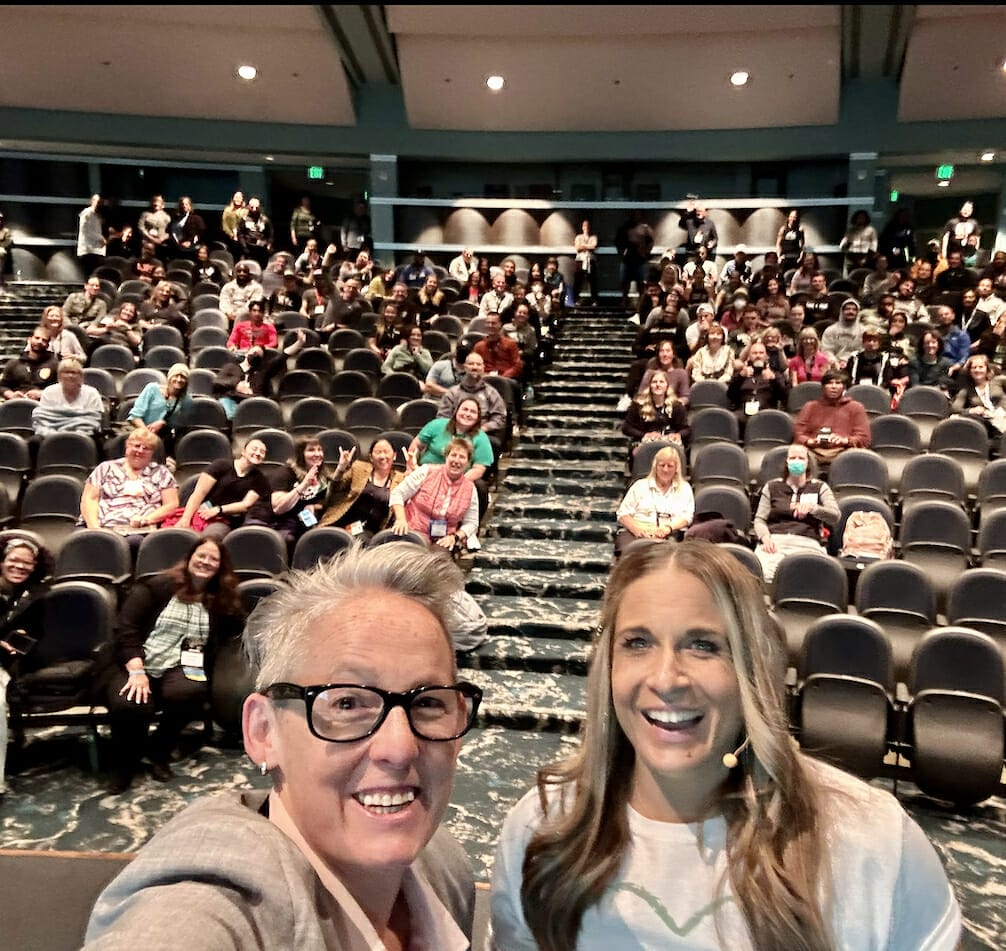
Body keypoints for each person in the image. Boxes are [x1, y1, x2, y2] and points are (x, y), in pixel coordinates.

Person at [490, 539, 962, 951]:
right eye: (637, 643)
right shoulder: (541, 829)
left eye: (704, 645)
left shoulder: (873, 842)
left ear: (750, 669)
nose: (665, 678)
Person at [85, 542, 478, 946]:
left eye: (428, 702)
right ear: (263, 732)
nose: (400, 748)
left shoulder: (446, 864)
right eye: (347, 702)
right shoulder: (212, 901)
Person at [97, 537, 244, 794]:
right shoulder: (156, 587)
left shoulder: (219, 598)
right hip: (135, 659)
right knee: (131, 703)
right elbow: (127, 630)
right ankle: (125, 764)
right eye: (202, 556)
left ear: (221, 567)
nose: (206, 562)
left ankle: (159, 750)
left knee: (191, 691)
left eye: (213, 559)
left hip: (182, 663)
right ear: (190, 558)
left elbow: (239, 627)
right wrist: (137, 671)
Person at [0, 536, 53, 797]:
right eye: (14, 560)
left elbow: (38, 636)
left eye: (27, 563)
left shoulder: (36, 597)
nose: (20, 567)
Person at [751, 442, 840, 581]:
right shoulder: (772, 486)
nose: (796, 461)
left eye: (801, 458)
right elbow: (759, 519)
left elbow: (835, 516)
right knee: (764, 577)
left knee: (807, 580)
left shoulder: (819, 487)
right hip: (775, 542)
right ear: (787, 462)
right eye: (793, 458)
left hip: (808, 543)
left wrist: (813, 508)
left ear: (807, 463)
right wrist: (765, 537)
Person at [79, 429, 179, 549]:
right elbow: (89, 499)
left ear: (152, 453)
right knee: (83, 540)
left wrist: (146, 519)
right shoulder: (105, 468)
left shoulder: (161, 473)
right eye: (137, 446)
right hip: (100, 524)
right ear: (128, 445)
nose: (140, 451)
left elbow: (172, 504)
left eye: (146, 448)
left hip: (138, 529)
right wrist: (94, 528)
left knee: (134, 543)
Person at [390, 438, 479, 553]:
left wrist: (455, 537)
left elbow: (472, 522)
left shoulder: (470, 489)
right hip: (413, 530)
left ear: (468, 462)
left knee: (438, 559)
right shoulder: (426, 471)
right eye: (453, 455)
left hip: (443, 539)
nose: (456, 460)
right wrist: (401, 520)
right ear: (446, 457)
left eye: (462, 457)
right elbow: (398, 494)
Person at [244, 437, 334, 549]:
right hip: (263, 519)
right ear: (301, 454)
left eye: (319, 450)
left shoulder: (321, 476)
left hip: (288, 523)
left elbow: (324, 498)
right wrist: (304, 485)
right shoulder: (285, 473)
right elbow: (278, 508)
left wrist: (312, 506)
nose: (317, 454)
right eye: (311, 450)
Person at [174, 437, 271, 541]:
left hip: (226, 520)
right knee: (177, 533)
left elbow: (245, 505)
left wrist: (219, 510)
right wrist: (186, 518)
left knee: (210, 537)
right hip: (201, 511)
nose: (257, 453)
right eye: (254, 449)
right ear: (243, 451)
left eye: (262, 452)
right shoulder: (221, 465)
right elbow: (199, 493)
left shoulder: (260, 480)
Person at [613, 445, 693, 556]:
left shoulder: (685, 488)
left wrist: (668, 528)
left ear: (676, 468)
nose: (665, 469)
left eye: (670, 466)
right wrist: (639, 531)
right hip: (637, 531)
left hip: (669, 532)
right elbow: (623, 514)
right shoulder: (639, 485)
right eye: (662, 465)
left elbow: (686, 517)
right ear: (655, 466)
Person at [318, 440, 405, 543]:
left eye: (386, 452)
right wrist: (340, 469)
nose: (382, 456)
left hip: (372, 532)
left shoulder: (401, 479)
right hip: (343, 522)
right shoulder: (358, 468)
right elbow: (336, 488)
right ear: (371, 457)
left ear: (394, 456)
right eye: (378, 452)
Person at [212, 330, 306, 419]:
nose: (255, 355)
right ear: (246, 353)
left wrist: (299, 343)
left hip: (254, 405)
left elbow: (282, 357)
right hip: (232, 403)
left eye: (259, 355)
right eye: (254, 352)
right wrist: (237, 384)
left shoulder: (262, 371)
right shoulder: (231, 367)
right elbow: (217, 382)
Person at [793, 369, 871, 469]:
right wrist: (809, 441)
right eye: (829, 383)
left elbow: (864, 438)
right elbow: (798, 434)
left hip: (843, 452)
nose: (833, 387)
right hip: (812, 452)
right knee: (794, 453)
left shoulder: (856, 407)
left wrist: (845, 440)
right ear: (823, 387)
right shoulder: (810, 406)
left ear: (844, 387)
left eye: (838, 383)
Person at [409, 398, 494, 485]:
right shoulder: (437, 424)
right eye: (465, 409)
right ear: (456, 411)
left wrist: (456, 483)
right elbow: (416, 445)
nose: (467, 414)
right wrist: (412, 465)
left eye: (473, 412)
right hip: (424, 475)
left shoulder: (482, 438)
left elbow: (478, 469)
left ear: (478, 417)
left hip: (457, 481)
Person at [127, 363, 193, 456]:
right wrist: (147, 434)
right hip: (140, 430)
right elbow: (135, 416)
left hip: (163, 438)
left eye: (183, 377)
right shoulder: (152, 389)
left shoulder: (187, 400)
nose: (179, 380)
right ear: (169, 377)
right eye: (176, 376)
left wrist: (163, 422)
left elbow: (180, 425)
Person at [621, 370, 690, 458]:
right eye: (654, 382)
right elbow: (626, 428)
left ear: (667, 385)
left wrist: (678, 435)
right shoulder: (638, 404)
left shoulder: (677, 406)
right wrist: (644, 435)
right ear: (649, 385)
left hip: (668, 442)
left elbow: (686, 429)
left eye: (661, 382)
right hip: (644, 442)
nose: (658, 385)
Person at [30, 356, 104, 437]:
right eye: (66, 372)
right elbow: (43, 419)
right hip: (51, 431)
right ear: (59, 376)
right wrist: (54, 435)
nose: (70, 376)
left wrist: (77, 435)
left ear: (81, 376)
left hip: (85, 434)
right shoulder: (49, 392)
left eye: (74, 372)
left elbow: (93, 420)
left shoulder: (92, 393)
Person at [728, 339, 788, 434]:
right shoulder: (741, 374)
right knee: (729, 419)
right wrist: (740, 377)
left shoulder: (775, 374)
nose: (758, 356)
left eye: (761, 353)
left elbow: (783, 396)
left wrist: (773, 380)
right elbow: (730, 395)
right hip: (742, 413)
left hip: (766, 413)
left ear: (766, 357)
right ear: (748, 357)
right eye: (754, 353)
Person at [951, 354, 1006, 437]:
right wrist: (971, 410)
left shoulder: (998, 381)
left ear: (987, 369)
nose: (977, 370)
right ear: (969, 371)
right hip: (986, 422)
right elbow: (955, 408)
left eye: (981, 367)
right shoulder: (967, 389)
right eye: (974, 367)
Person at [0, 326, 58, 401]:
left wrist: (42, 393)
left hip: (44, 405)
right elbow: (2, 386)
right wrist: (11, 395)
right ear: (29, 339)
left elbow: (60, 388)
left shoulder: (55, 365)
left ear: (47, 345)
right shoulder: (14, 364)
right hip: (17, 404)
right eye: (37, 338)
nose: (40, 341)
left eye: (44, 340)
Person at [474, 312, 523, 380]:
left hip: (507, 380)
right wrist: (485, 375)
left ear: (500, 324)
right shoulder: (479, 346)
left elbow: (517, 366)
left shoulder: (511, 344)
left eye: (493, 323)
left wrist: (503, 377)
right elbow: (474, 365)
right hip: (485, 380)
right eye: (488, 323)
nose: (490, 325)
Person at [236, 197, 273, 269]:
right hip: (249, 249)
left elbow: (270, 233)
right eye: (252, 207)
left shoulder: (265, 219)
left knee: (262, 269)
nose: (254, 209)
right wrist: (244, 246)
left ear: (260, 207)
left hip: (261, 250)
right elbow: (240, 234)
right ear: (248, 207)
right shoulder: (244, 219)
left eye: (256, 207)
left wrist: (269, 244)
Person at [839, 209, 878, 274]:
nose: (860, 219)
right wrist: (846, 242)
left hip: (866, 255)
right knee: (852, 275)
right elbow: (842, 245)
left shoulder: (871, 230)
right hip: (852, 256)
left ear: (866, 219)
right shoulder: (851, 231)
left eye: (862, 218)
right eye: (858, 218)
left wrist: (866, 258)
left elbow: (874, 245)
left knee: (865, 274)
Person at [77, 193, 106, 275]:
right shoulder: (87, 213)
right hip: (88, 250)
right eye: (98, 201)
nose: (99, 204)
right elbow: (85, 230)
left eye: (101, 202)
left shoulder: (98, 215)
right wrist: (100, 238)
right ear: (92, 201)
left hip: (96, 250)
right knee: (89, 274)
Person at [573, 219, 599, 305]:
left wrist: (583, 245)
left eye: (588, 226)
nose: (586, 227)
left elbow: (594, 246)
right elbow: (577, 247)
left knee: (592, 280)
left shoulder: (593, 237)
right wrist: (588, 246)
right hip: (580, 260)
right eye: (585, 225)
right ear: (582, 227)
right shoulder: (578, 237)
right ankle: (575, 298)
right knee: (578, 279)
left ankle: (594, 299)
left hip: (590, 260)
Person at [775, 209, 805, 275]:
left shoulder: (800, 229)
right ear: (788, 217)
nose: (793, 219)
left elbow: (802, 245)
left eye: (795, 217)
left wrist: (801, 256)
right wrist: (779, 256)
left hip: (795, 257)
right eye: (791, 217)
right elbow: (778, 244)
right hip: (785, 257)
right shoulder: (783, 229)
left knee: (794, 275)